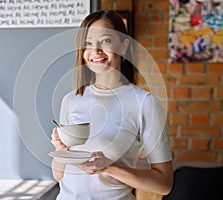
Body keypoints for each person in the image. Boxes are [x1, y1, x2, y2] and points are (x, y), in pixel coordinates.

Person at [51, 10, 173, 200]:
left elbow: (164, 184)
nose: (96, 51)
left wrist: (109, 167)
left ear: (123, 46)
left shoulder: (144, 103)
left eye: (105, 41)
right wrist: (61, 150)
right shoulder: (71, 99)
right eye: (88, 43)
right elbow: (59, 176)